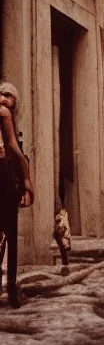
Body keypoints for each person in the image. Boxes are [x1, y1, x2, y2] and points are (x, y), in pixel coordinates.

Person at [0, 82, 33, 308]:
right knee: (9, 231)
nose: (3, 98)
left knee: (7, 232)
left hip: (8, 177)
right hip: (3, 174)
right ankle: (11, 287)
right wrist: (29, 180)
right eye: (0, 93)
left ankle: (11, 284)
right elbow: (14, 150)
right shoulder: (3, 114)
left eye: (7, 95)